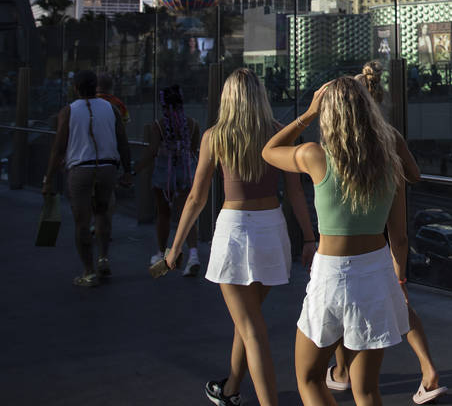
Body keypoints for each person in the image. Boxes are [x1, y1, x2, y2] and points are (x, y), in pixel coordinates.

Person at [163, 68, 316, 406]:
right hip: (272, 228)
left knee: (251, 327)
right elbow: (295, 192)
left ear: (227, 99)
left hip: (235, 230)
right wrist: (308, 238)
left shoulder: (215, 136)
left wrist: (175, 247)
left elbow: (196, 198)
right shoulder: (279, 133)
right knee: (248, 319)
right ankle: (231, 388)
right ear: (260, 96)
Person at [263, 76, 409, 406]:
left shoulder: (317, 157)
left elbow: (269, 151)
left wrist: (309, 112)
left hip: (332, 275)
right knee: (367, 389)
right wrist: (399, 280)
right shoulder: (390, 163)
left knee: (310, 376)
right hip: (377, 272)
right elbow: (399, 237)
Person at [326, 61, 446, 404]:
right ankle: (428, 370)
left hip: (348, 238)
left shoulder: (339, 139)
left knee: (336, 307)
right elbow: (415, 173)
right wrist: (401, 268)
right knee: (399, 304)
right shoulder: (389, 136)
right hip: (382, 237)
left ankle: (341, 372)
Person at [41, 69, 133, 286]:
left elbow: (58, 148)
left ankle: (88, 272)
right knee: (102, 214)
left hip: (80, 169)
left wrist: (48, 178)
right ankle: (103, 258)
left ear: (75, 88)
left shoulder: (69, 111)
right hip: (107, 169)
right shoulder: (111, 108)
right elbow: (123, 141)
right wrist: (128, 171)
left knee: (82, 222)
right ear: (95, 87)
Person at [143, 85, 202, 275]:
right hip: (185, 172)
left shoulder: (158, 126)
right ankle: (193, 255)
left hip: (163, 174)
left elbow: (152, 151)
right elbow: (193, 151)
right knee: (188, 215)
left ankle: (161, 253)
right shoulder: (192, 124)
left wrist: (133, 170)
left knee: (163, 214)